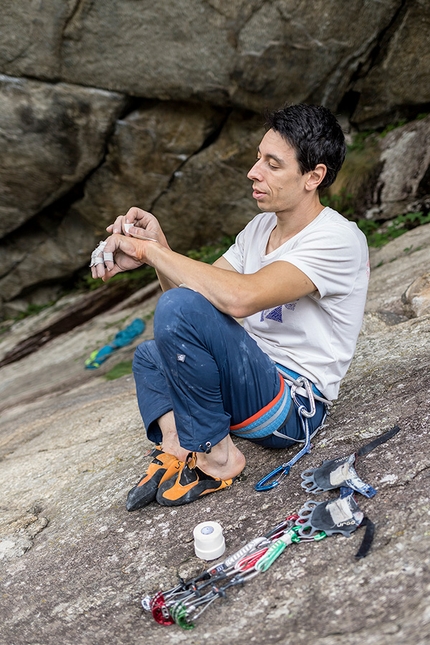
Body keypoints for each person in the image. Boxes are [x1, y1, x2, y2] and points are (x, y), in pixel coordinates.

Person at [90, 103, 369, 510]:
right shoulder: (259, 229)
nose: (254, 172)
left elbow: (240, 298)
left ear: (314, 176)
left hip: (290, 405)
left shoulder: (337, 239)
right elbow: (190, 302)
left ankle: (220, 459)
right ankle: (178, 448)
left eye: (273, 164)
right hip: (245, 379)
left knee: (179, 314)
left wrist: (148, 252)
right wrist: (160, 248)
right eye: (259, 158)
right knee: (150, 356)